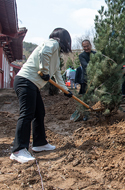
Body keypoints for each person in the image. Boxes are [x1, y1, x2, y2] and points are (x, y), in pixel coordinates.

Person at [10, 28, 73, 164]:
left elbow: (57, 75)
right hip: (25, 80)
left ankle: (39, 143)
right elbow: (44, 53)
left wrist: (65, 90)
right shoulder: (52, 43)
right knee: (27, 113)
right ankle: (18, 150)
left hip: (32, 84)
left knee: (39, 112)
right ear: (65, 40)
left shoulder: (56, 56)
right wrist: (44, 70)